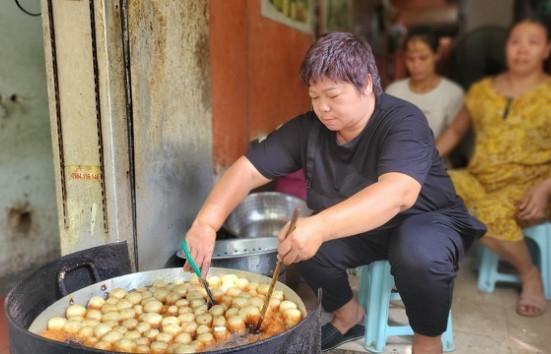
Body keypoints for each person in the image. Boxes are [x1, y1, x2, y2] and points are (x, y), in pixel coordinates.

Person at [183, 32, 486, 353]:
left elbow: (399, 194)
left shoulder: (403, 121)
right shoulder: (310, 128)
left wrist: (320, 226)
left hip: (427, 221)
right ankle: (348, 316)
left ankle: (427, 340)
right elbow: (246, 170)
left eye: (333, 95)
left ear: (367, 84)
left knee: (418, 253)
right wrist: (206, 224)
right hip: (365, 228)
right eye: (314, 97)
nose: (322, 108)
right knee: (300, 248)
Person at [436, 17, 551, 317]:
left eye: (533, 42)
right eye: (515, 41)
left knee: (485, 212)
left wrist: (544, 190)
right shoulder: (482, 91)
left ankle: (529, 274)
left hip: (530, 188)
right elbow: (454, 133)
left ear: (547, 49)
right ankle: (428, 266)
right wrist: (420, 161)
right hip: (478, 179)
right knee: (428, 186)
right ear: (506, 47)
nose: (522, 49)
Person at [385, 27, 464, 139]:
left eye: (423, 58)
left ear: (437, 54)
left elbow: (455, 133)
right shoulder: (394, 91)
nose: (416, 65)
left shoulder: (453, 93)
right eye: (410, 59)